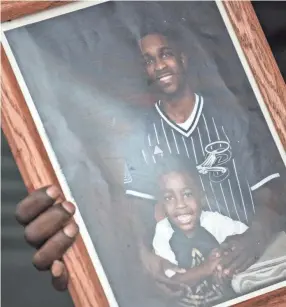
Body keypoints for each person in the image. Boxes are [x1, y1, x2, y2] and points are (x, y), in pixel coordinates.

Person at [15, 24, 285, 293]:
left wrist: (255, 237)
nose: (159, 66)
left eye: (166, 54)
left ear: (183, 59)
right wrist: (143, 253)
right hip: (187, 261)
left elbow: (271, 191)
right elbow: (137, 207)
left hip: (247, 251)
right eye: (149, 61)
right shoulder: (142, 132)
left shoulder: (231, 116)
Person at [152, 158, 247, 306]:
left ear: (201, 196)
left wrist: (227, 255)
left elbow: (246, 241)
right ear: (161, 204)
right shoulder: (164, 231)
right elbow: (172, 282)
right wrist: (208, 267)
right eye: (169, 197)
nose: (180, 205)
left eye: (188, 194)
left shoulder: (213, 221)